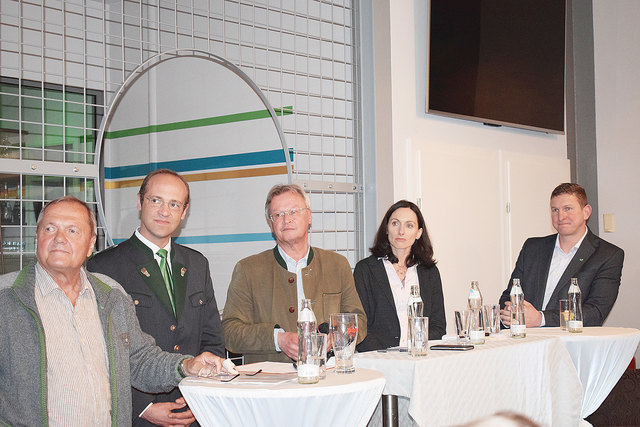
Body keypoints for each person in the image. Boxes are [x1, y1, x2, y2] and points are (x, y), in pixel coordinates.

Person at [0, 196, 234, 426]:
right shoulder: (7, 299)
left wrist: (186, 366)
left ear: (91, 244)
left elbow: (140, 360)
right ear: (37, 236)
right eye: (49, 228)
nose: (59, 239)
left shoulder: (111, 295)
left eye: (72, 231)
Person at [87, 169, 225, 426]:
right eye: (156, 200)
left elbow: (212, 339)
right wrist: (143, 407)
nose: (165, 211)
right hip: (138, 414)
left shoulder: (197, 263)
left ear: (184, 212)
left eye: (174, 204)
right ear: (140, 202)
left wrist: (199, 398)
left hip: (193, 408)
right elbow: (99, 354)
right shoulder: (104, 267)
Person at [222, 184, 367, 363]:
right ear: (271, 223)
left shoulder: (337, 265)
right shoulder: (248, 270)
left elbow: (358, 321)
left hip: (329, 375)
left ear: (309, 216)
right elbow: (230, 332)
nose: (286, 219)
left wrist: (335, 338)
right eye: (278, 215)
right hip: (270, 382)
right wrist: (277, 339)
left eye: (294, 211)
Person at [500, 183, 624, 327]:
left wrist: (541, 319)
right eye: (555, 210)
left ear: (586, 212)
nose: (561, 216)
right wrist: (511, 314)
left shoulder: (608, 255)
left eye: (568, 209)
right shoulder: (532, 247)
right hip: (526, 342)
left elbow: (596, 312)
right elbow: (509, 295)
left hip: (572, 344)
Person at [354, 200, 446, 352]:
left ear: (418, 233)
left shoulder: (429, 271)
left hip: (419, 356)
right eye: (395, 223)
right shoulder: (366, 270)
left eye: (409, 225)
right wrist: (385, 355)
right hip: (379, 357)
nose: (401, 231)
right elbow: (360, 326)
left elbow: (438, 325)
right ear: (386, 229)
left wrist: (416, 348)